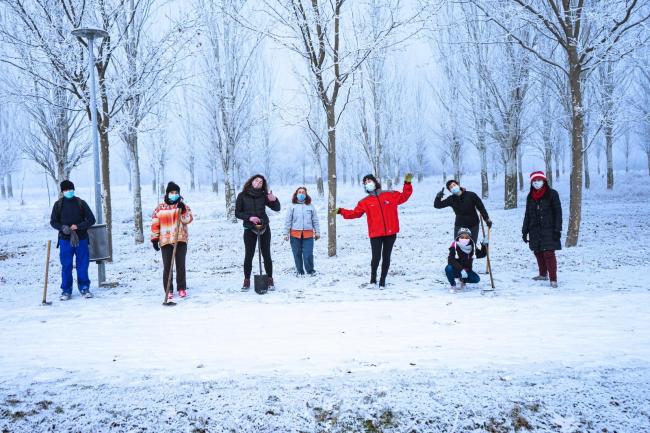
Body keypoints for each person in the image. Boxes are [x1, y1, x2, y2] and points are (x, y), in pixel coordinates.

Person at [335, 173, 413, 289]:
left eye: (369, 181)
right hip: (375, 234)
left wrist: (407, 183)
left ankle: (382, 281)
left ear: (375, 182)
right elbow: (355, 213)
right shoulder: (364, 201)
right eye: (365, 183)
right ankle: (372, 280)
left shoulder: (390, 194)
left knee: (386, 257)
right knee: (376, 257)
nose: (368, 184)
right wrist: (341, 211)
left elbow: (404, 196)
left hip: (391, 233)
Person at [50, 180, 96, 301]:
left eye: (71, 189)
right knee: (66, 266)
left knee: (83, 265)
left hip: (81, 239)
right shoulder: (58, 205)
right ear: (62, 191)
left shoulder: (81, 203)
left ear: (73, 190)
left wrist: (79, 226)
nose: (69, 192)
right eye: (66, 190)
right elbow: (53, 222)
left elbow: (91, 219)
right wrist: (62, 227)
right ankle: (66, 290)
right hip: (65, 240)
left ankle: (84, 287)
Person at [235, 174, 281, 291]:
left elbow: (277, 208)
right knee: (249, 255)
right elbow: (237, 213)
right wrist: (250, 218)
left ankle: (270, 279)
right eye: (256, 181)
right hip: (249, 229)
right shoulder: (242, 196)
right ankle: (246, 280)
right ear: (251, 182)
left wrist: (274, 199)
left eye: (261, 182)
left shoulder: (264, 195)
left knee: (266, 254)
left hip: (264, 228)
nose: (258, 183)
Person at [151, 181, 194, 301]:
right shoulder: (160, 208)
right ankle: (168, 289)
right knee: (167, 266)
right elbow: (155, 224)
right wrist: (154, 239)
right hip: (165, 240)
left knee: (181, 265)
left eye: (176, 192)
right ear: (167, 193)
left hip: (180, 239)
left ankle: (181, 288)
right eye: (172, 192)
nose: (174, 194)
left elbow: (188, 219)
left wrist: (183, 210)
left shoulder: (182, 206)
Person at [522, 171, 562, 288]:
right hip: (534, 229)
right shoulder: (530, 196)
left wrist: (557, 229)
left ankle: (553, 279)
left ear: (544, 181)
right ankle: (543, 274)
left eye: (539, 180)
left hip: (549, 229)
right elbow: (527, 215)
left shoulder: (552, 194)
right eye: (534, 181)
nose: (536, 183)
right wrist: (525, 231)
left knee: (549, 253)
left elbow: (558, 212)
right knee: (538, 251)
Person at [284, 186, 321, 276]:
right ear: (296, 194)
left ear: (306, 194)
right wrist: (286, 233)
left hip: (308, 234)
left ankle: (310, 270)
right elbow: (288, 221)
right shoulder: (291, 206)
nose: (301, 194)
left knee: (308, 253)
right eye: (299, 192)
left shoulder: (310, 206)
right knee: (297, 253)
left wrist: (317, 232)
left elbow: (315, 220)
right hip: (295, 234)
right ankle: (300, 271)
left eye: (303, 192)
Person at [445, 227, 488, 293]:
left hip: (467, 270)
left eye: (466, 237)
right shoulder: (454, 246)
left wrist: (484, 245)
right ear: (458, 237)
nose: (464, 239)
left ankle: (463, 280)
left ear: (469, 238)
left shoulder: (472, 246)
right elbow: (451, 260)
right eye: (462, 237)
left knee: (476, 279)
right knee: (448, 268)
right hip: (456, 270)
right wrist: (461, 269)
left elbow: (481, 254)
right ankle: (453, 284)